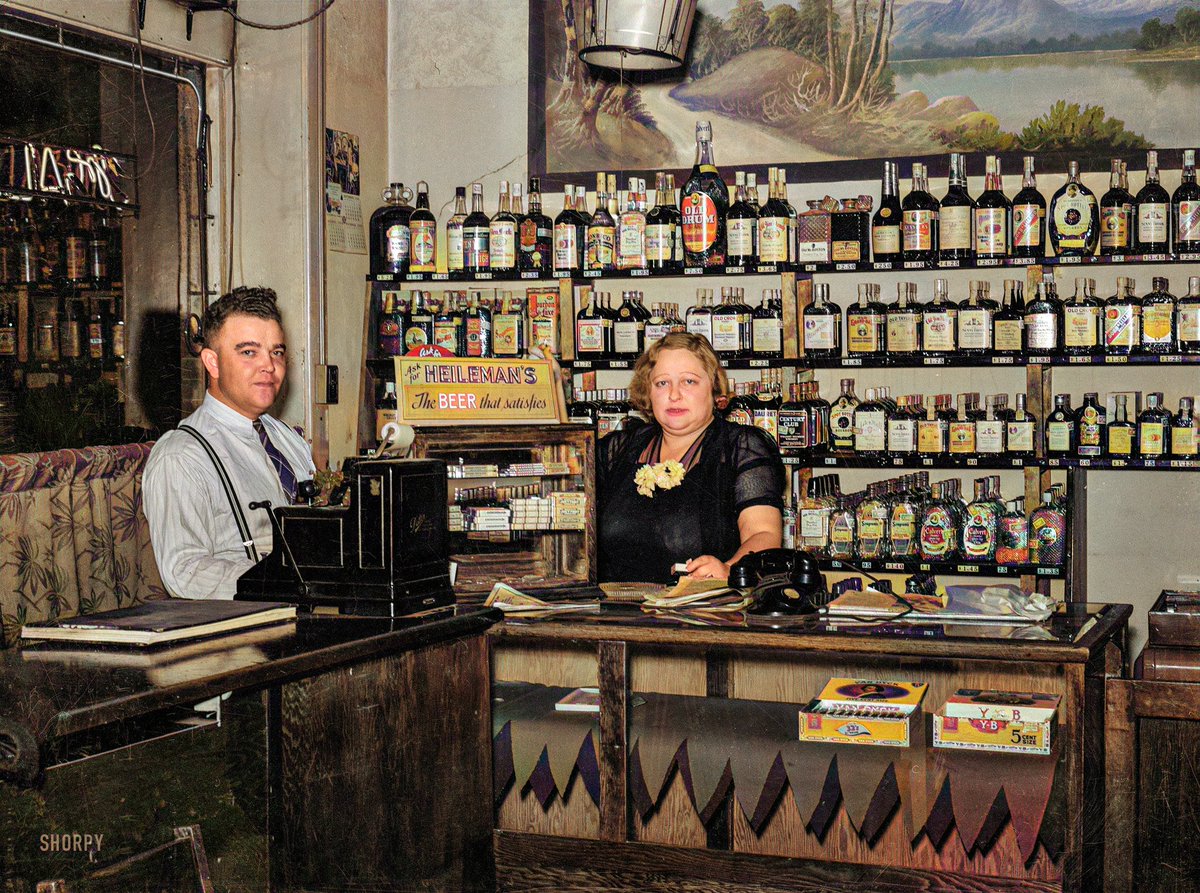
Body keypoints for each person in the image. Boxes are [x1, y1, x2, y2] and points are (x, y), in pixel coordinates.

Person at [143, 286, 316, 599]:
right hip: (244, 626)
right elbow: (184, 571)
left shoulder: (287, 440)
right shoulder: (182, 455)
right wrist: (280, 582)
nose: (269, 365)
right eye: (249, 352)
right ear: (213, 363)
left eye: (276, 352)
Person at [597, 332, 785, 583]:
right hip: (618, 614)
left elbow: (763, 533)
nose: (674, 395)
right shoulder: (618, 449)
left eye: (689, 381)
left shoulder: (741, 447)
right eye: (662, 383)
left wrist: (729, 569)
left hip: (705, 614)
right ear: (648, 392)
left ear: (714, 390)